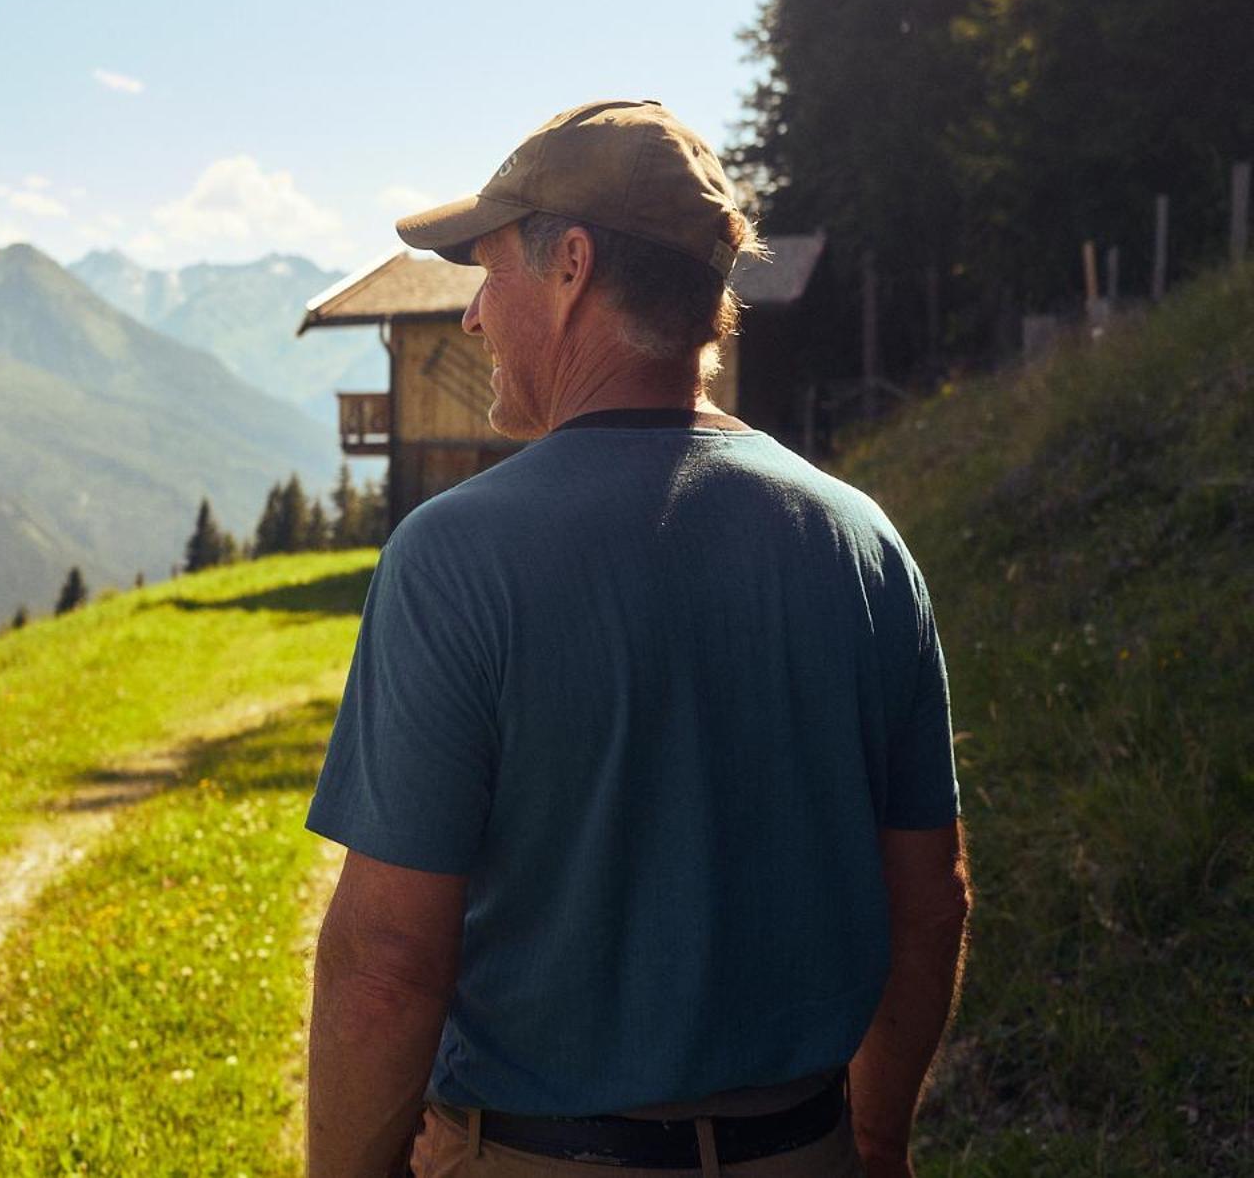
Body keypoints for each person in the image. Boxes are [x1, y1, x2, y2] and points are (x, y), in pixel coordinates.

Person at [304, 100, 970, 1178]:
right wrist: (878, 1134)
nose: (471, 316)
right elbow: (927, 891)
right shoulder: (860, 541)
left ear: (569, 264)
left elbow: (384, 961)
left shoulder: (453, 557)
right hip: (803, 1148)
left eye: (486, 272)